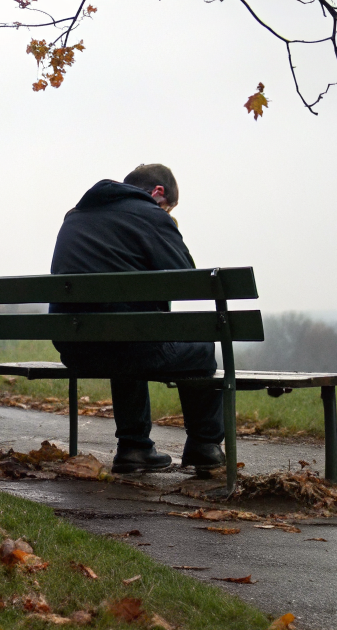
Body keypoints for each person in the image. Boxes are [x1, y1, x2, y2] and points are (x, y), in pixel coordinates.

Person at [49, 164, 226, 476]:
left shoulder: (74, 216)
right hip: (127, 346)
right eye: (169, 206)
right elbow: (189, 280)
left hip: (76, 349)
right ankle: (204, 445)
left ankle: (134, 448)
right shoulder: (150, 215)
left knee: (124, 337)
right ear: (158, 193)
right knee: (199, 347)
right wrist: (167, 223)